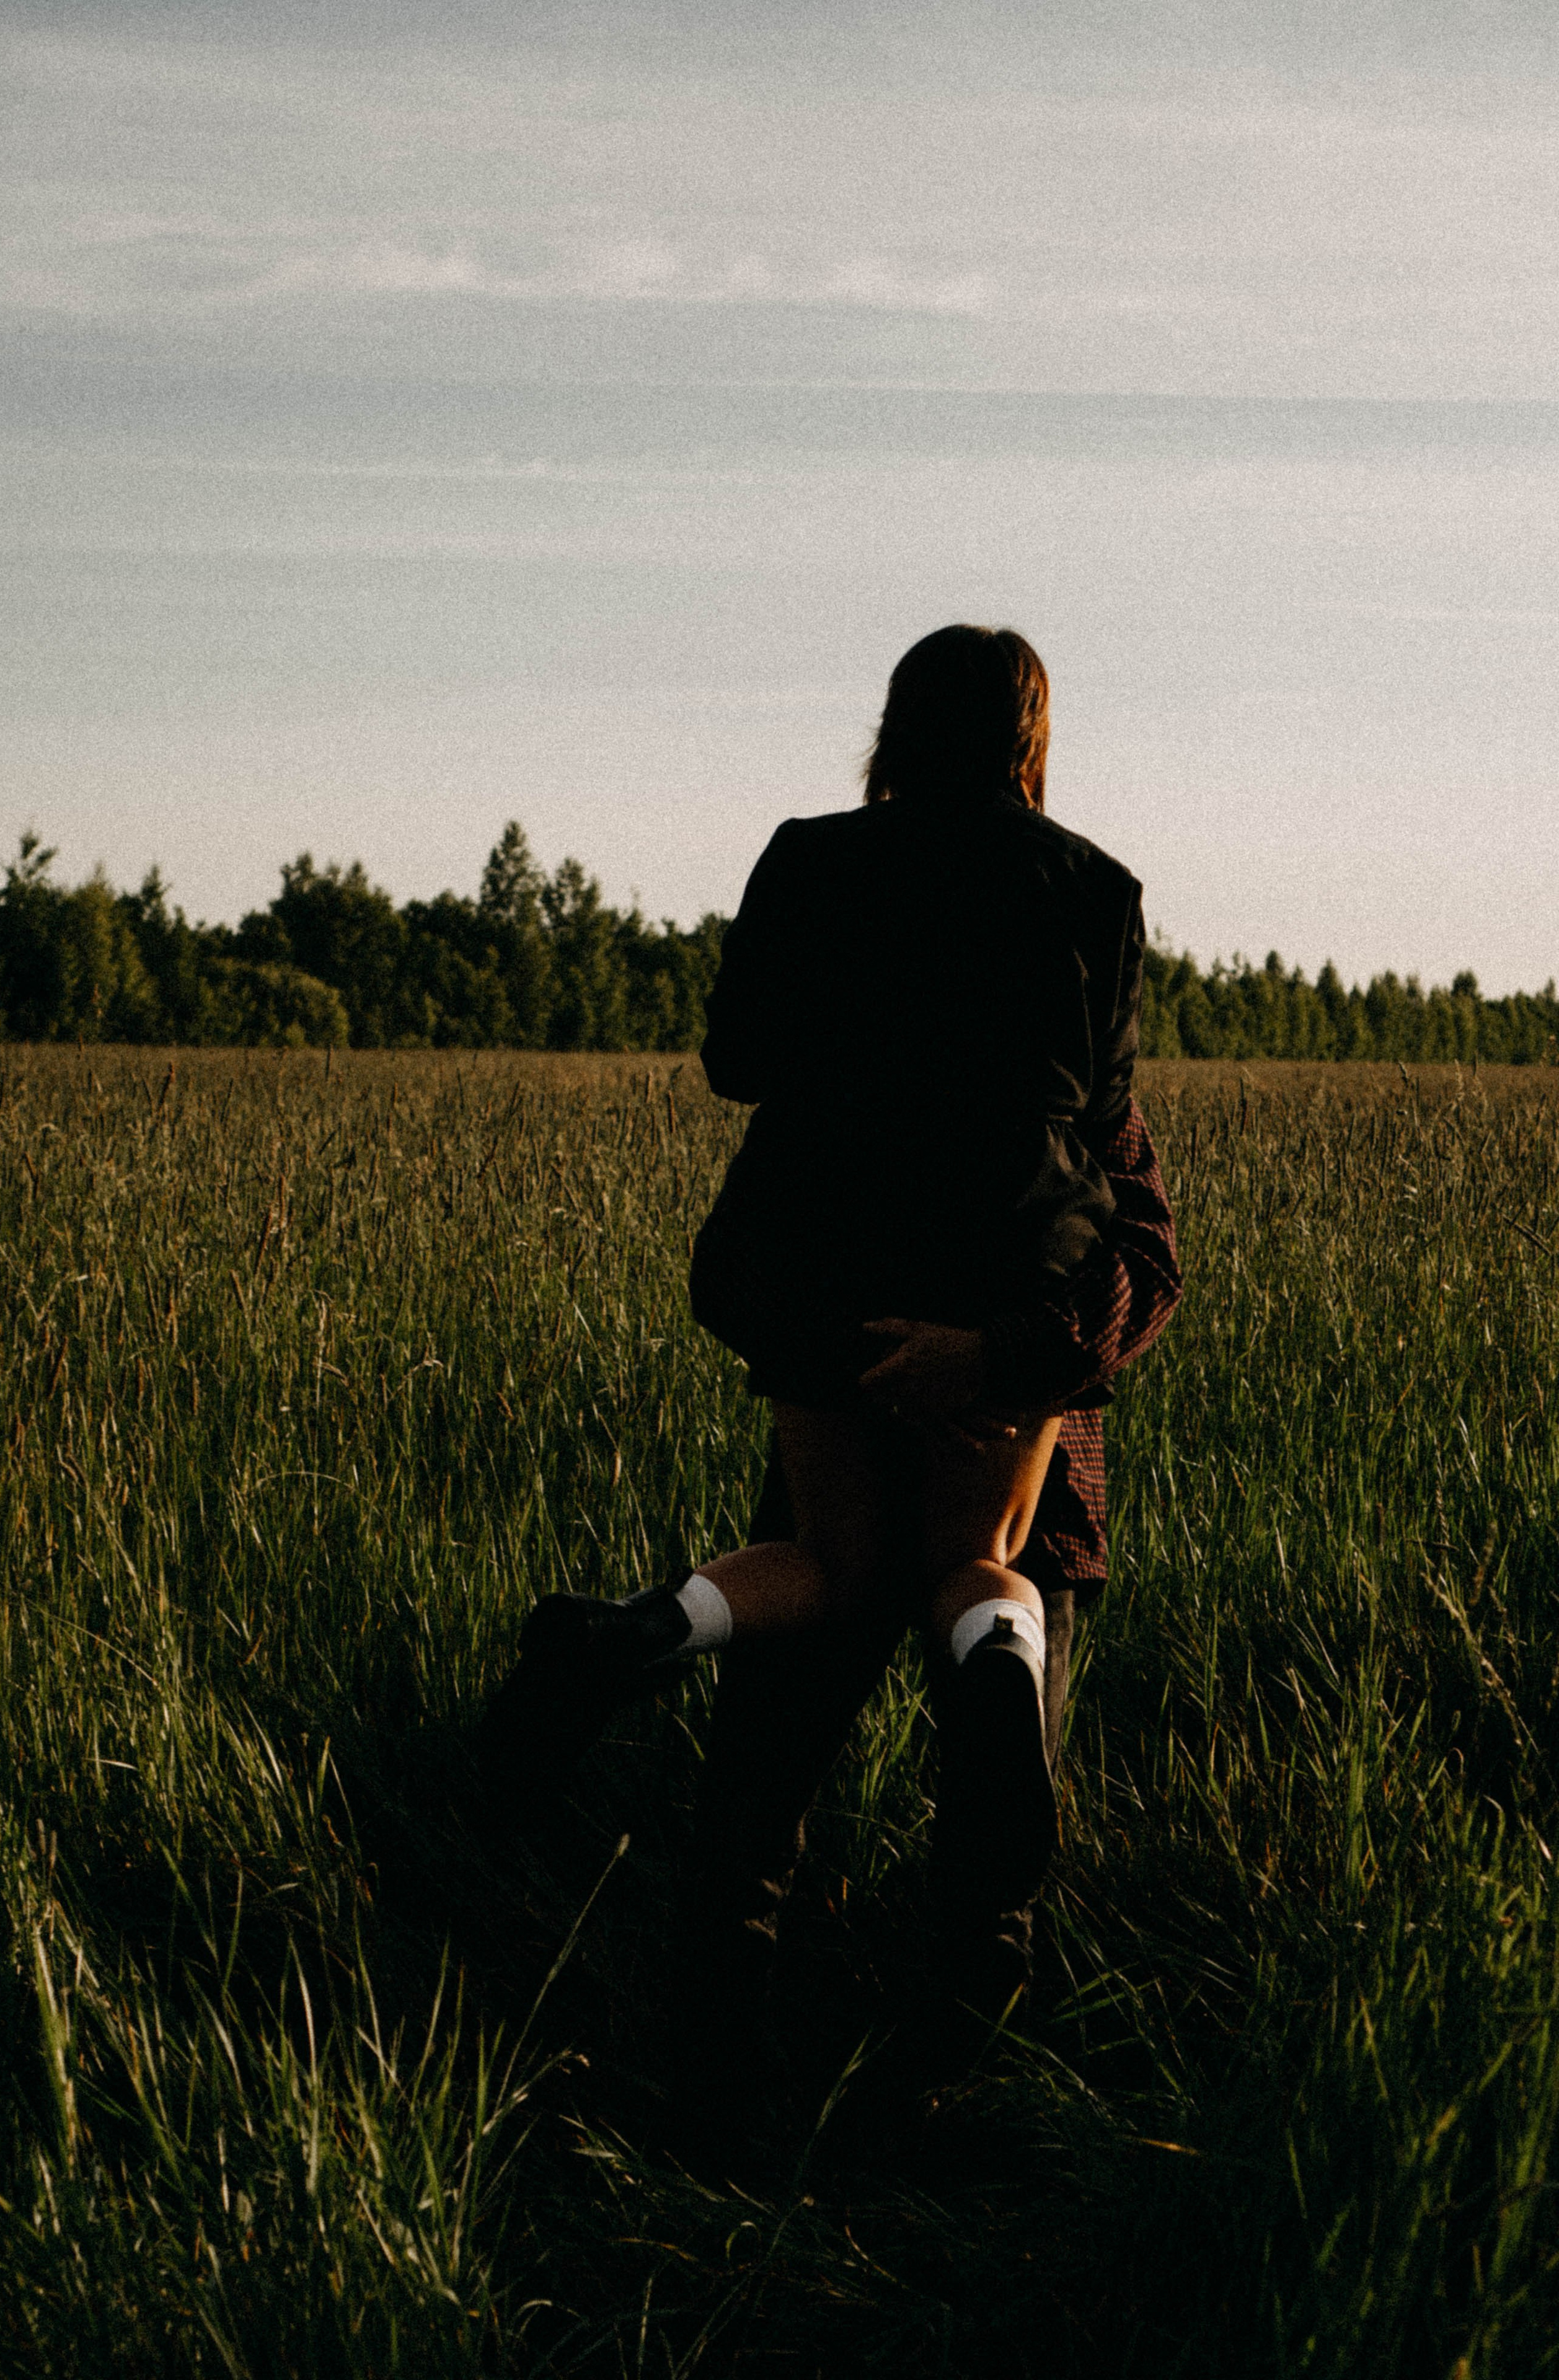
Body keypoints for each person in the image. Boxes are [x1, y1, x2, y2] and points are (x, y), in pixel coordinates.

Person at [487, 624, 1180, 2079]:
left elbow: (737, 1061)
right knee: (971, 1569)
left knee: (832, 1561)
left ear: (891, 727)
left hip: (810, 1267)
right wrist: (1004, 1348)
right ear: (1027, 739)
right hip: (1006, 1276)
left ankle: (644, 1632)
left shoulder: (806, 858)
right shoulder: (1093, 893)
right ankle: (992, 1683)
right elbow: (1110, 1151)